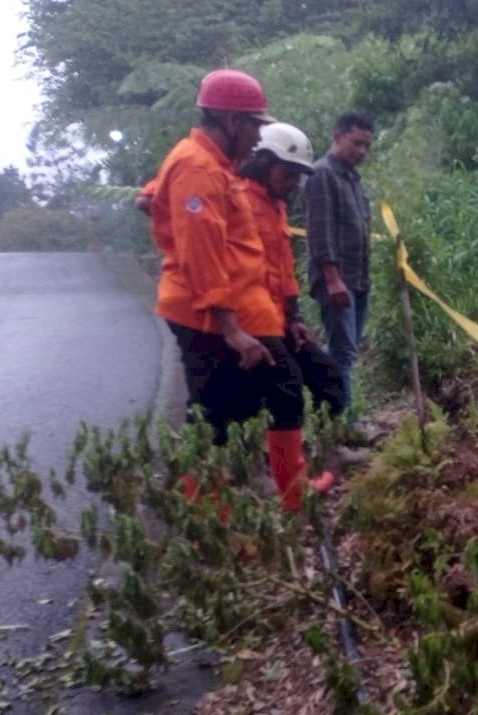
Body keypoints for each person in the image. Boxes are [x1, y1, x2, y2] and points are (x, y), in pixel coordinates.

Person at [145, 69, 332, 513]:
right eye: (254, 126)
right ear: (231, 120)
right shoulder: (198, 167)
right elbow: (201, 251)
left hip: (239, 311)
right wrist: (230, 328)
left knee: (261, 399)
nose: (256, 137)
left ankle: (280, 496)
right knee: (217, 418)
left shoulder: (216, 166)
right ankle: (214, 521)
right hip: (208, 317)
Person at [235, 121, 347, 419]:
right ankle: (277, 448)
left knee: (328, 377)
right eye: (287, 173)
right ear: (263, 164)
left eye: (296, 175)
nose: (292, 182)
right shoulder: (237, 200)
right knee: (285, 391)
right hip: (248, 320)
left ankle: (329, 439)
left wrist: (294, 316)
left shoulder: (277, 207)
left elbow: (284, 268)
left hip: (278, 317)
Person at [303, 111, 375, 411]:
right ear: (337, 137)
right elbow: (320, 232)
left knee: (346, 351)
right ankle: (342, 422)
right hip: (338, 282)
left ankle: (332, 413)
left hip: (357, 279)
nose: (362, 151)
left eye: (366, 145)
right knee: (343, 354)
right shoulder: (322, 175)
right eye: (356, 143)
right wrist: (332, 280)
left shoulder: (352, 178)